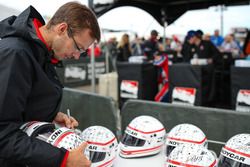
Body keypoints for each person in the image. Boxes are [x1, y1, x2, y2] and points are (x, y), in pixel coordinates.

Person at [0, 2, 100, 167]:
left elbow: (19, 104)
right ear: (62, 29)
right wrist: (63, 159)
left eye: (82, 52)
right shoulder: (16, 54)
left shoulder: (40, 52)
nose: (76, 56)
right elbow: (3, 135)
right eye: (78, 48)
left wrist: (50, 114)